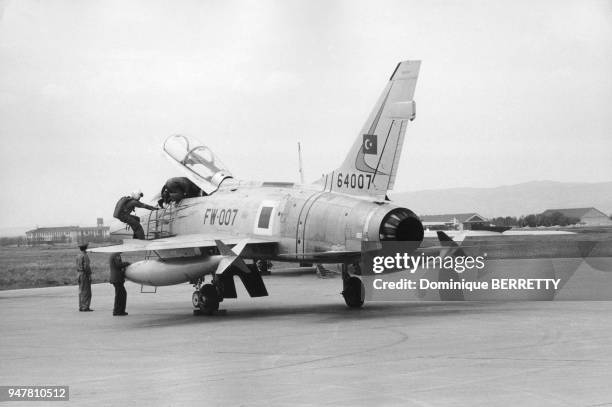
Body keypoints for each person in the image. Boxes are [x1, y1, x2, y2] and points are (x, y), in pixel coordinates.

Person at [76, 242, 93, 312]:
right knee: (87, 291)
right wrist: (89, 275)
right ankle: (85, 307)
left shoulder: (78, 255)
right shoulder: (85, 255)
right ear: (86, 248)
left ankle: (81, 306)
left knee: (81, 291)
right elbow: (86, 266)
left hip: (79, 274)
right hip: (84, 274)